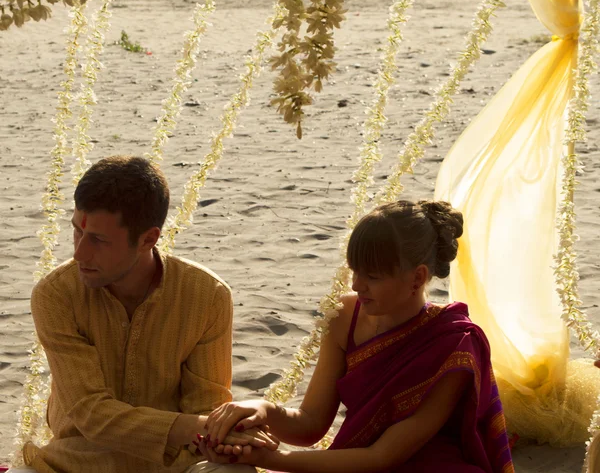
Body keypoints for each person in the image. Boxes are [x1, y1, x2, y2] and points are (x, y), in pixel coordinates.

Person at [197, 200, 515, 472]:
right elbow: (310, 423)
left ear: (417, 277)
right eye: (354, 271)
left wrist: (275, 459)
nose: (356, 285)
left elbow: (383, 456)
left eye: (372, 276)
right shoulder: (344, 317)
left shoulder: (454, 344)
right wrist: (263, 409)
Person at [13, 156, 275, 473]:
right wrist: (207, 426)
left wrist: (221, 436)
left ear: (148, 239)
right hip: (74, 463)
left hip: (173, 465)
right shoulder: (57, 294)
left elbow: (206, 405)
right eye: (77, 232)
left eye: (97, 239)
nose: (79, 253)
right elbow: (91, 413)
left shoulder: (207, 296)